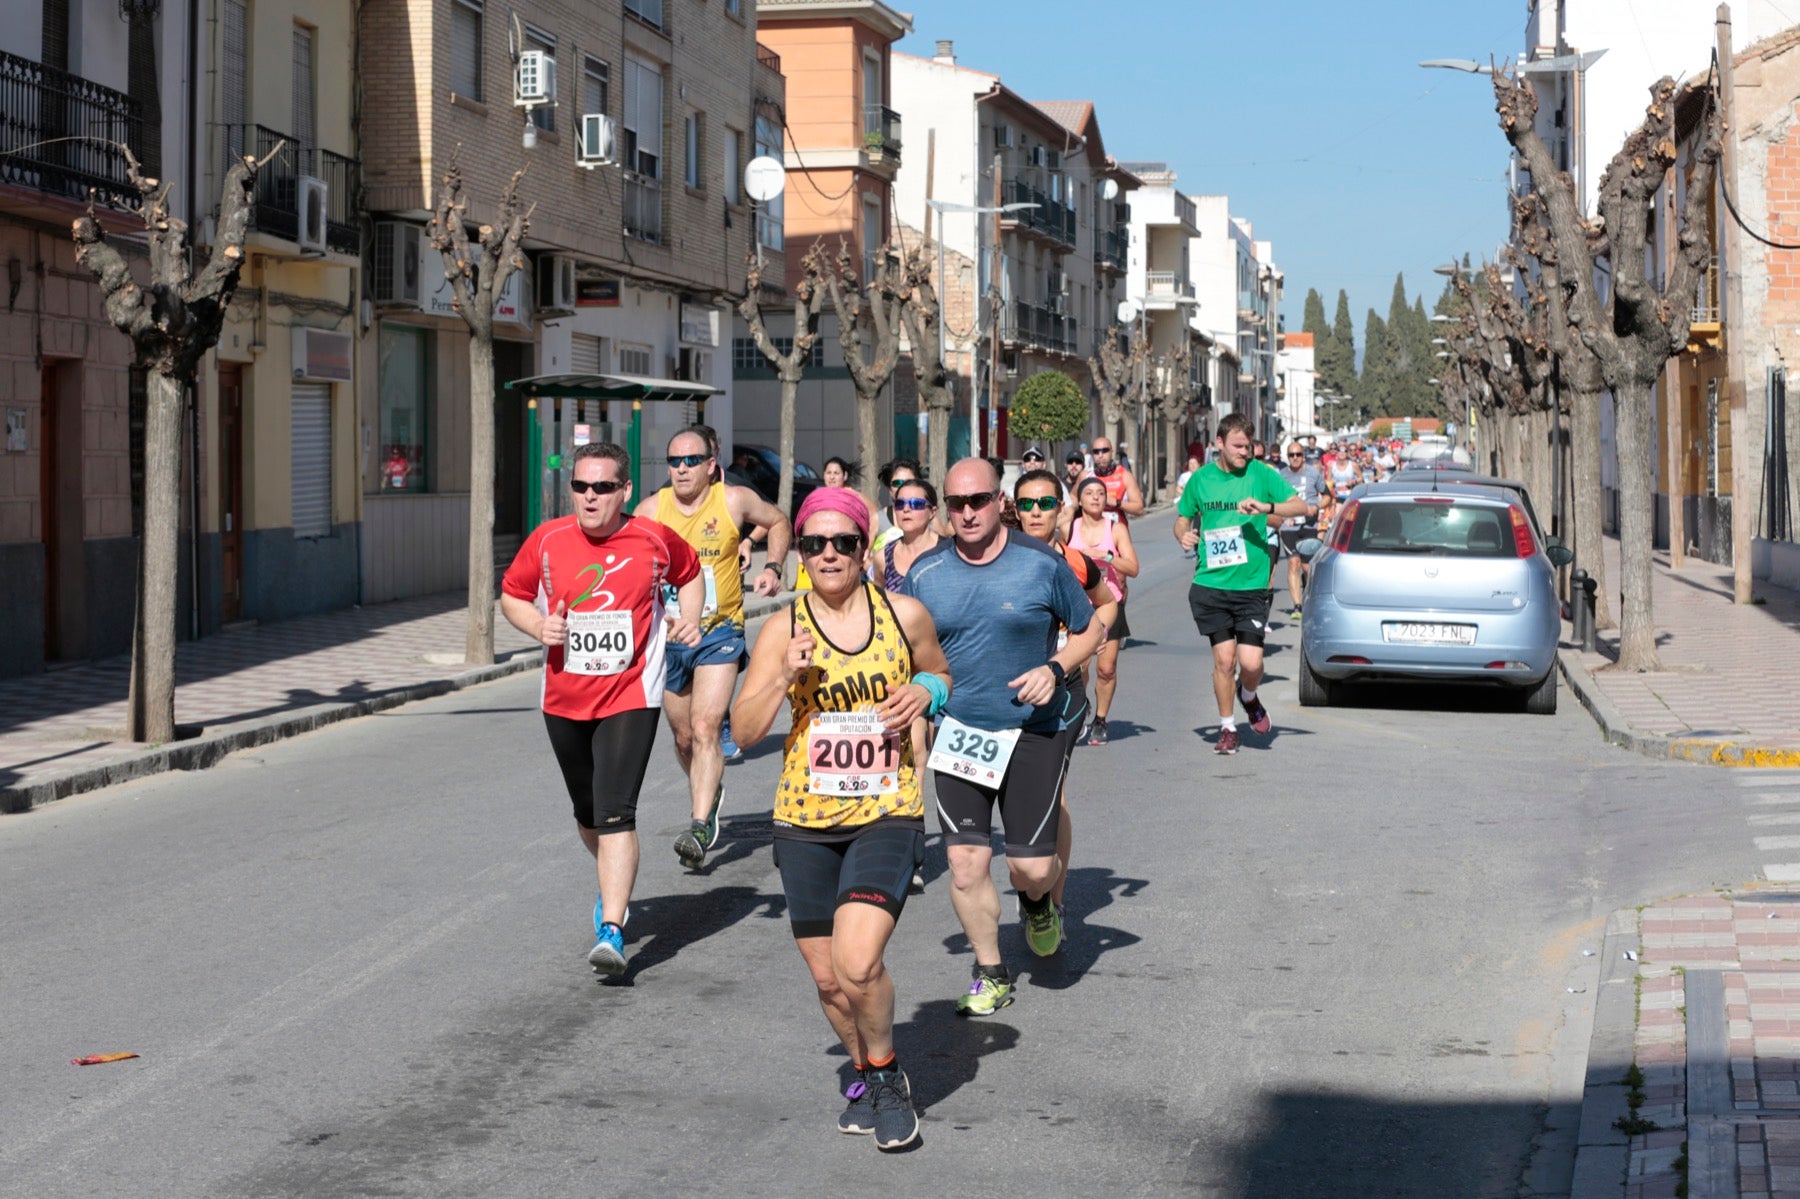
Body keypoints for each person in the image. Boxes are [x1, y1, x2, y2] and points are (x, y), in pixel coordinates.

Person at [732, 487, 952, 1150]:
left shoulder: (904, 614)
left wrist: (926, 691)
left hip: (886, 808)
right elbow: (742, 733)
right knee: (829, 978)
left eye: (844, 542)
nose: (829, 554)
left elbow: (943, 674)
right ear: (799, 551)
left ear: (864, 547)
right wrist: (779, 678)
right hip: (803, 818)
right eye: (815, 543)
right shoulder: (782, 627)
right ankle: (864, 1064)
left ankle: (884, 1077)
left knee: (858, 962)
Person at [898, 458, 1102, 1014]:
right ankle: (991, 970)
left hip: (1036, 729)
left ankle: (1038, 903)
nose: (968, 513)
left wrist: (1054, 669)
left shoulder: (1040, 564)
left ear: (998, 502)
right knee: (965, 862)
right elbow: (907, 655)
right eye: (957, 503)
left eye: (979, 501)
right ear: (945, 507)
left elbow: (1093, 628)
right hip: (962, 733)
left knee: (1030, 869)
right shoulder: (924, 574)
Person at [500, 442, 705, 977]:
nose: (590, 497)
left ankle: (612, 929)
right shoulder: (547, 540)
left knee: (617, 812)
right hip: (563, 696)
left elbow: (691, 573)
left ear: (625, 491)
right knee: (588, 815)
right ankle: (612, 879)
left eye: (603, 487)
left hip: (631, 694)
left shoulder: (653, 538)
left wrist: (691, 619)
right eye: (581, 487)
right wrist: (536, 626)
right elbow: (512, 594)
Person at [635, 427, 792, 869]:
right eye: (674, 461)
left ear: (710, 463)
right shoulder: (650, 511)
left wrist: (774, 566)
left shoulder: (733, 500)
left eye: (691, 460)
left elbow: (778, 520)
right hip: (668, 637)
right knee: (683, 736)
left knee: (706, 727)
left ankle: (700, 823)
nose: (682, 469)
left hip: (719, 632)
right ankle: (710, 786)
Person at [1012, 469, 1117, 922]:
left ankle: (1052, 901)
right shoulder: (1000, 558)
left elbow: (1107, 601)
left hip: (1063, 692)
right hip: (1006, 692)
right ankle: (1029, 875)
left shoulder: (1076, 561)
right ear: (1012, 509)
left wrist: (1087, 640)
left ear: (1062, 509)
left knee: (1054, 797)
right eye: (1026, 505)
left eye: (1046, 504)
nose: (1036, 513)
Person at [1174, 414, 1308, 755]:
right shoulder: (1200, 480)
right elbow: (1182, 518)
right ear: (1219, 443)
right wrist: (1184, 536)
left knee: (1251, 665)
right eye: (1237, 446)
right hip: (1211, 584)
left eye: (1248, 447)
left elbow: (1301, 506)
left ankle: (1248, 696)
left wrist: (1267, 506)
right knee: (1225, 661)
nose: (1244, 453)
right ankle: (1227, 727)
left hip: (1251, 586)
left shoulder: (1261, 474)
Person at [1067, 476, 1138, 746]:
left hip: (1110, 602)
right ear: (1080, 499)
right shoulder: (1069, 527)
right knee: (1078, 664)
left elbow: (1133, 568)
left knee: (1106, 669)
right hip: (1077, 605)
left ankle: (1100, 718)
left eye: (1101, 493)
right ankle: (1079, 707)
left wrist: (1108, 558)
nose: (1096, 497)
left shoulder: (1116, 529)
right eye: (1090, 493)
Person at [1275, 441, 1326, 620]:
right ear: (1287, 457)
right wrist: (1281, 517)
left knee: (1307, 567)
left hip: (1309, 525)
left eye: (1298, 454)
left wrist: (1317, 507)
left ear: (1303, 455)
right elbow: (1273, 500)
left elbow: (1328, 496)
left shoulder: (1313, 473)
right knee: (1293, 563)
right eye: (1291, 455)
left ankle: (1309, 598)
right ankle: (1297, 605)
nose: (1295, 458)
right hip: (1289, 527)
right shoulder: (1281, 476)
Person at [870, 477, 941, 591]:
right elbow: (877, 600)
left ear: (932, 512)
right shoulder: (883, 557)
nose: (906, 509)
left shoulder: (949, 551)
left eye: (916, 504)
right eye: (900, 504)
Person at [1086, 436, 1145, 521]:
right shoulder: (1086, 475)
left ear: (1111, 452)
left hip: (1117, 531)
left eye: (1105, 451)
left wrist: (1117, 503)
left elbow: (1139, 509)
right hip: (1093, 532)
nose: (1100, 455)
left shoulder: (1125, 475)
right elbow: (1073, 500)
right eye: (1096, 452)